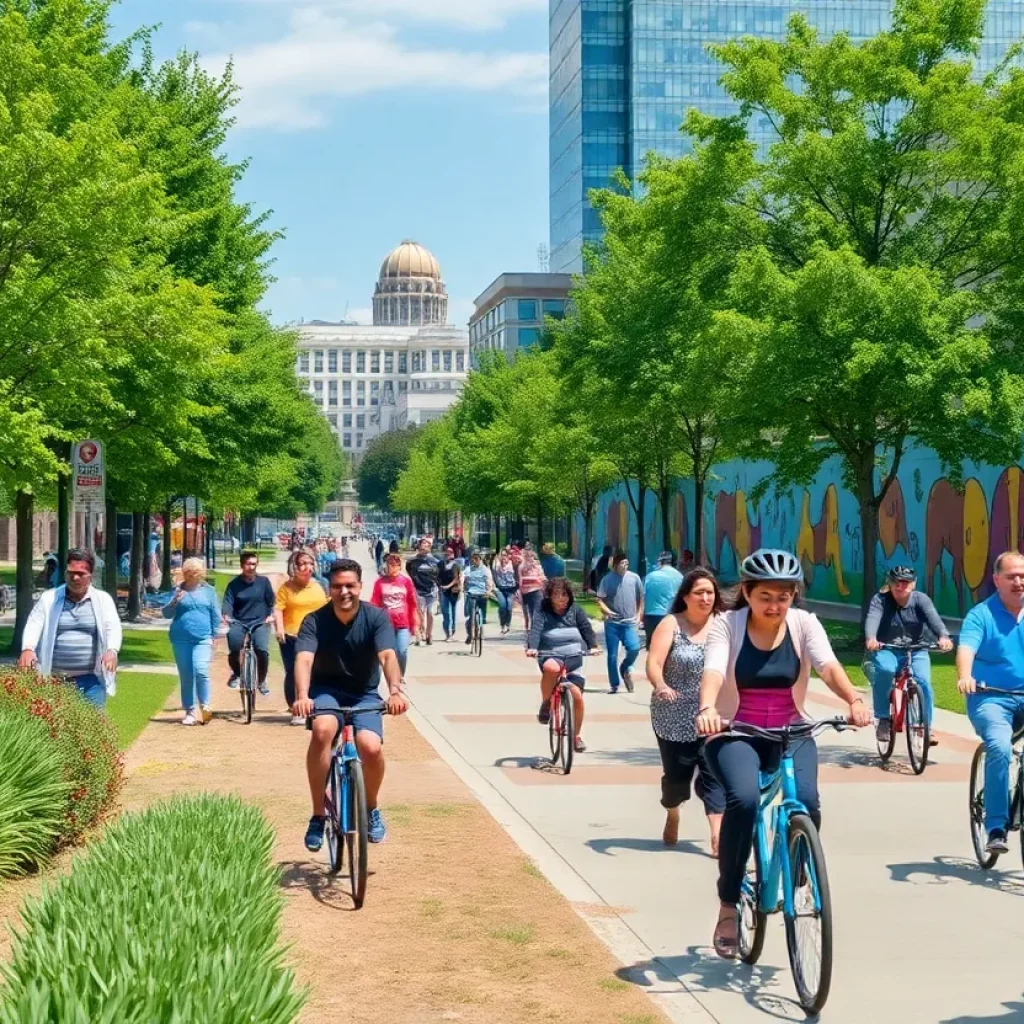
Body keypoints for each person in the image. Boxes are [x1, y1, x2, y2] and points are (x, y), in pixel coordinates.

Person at [695, 549, 871, 960]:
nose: (775, 606)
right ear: (747, 592)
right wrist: (707, 709)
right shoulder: (727, 625)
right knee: (745, 799)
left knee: (806, 803)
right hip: (734, 730)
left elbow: (827, 665)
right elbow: (715, 670)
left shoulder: (804, 623)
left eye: (785, 596)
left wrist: (853, 699)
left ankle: (795, 870)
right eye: (766, 597)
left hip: (791, 729)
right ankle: (727, 904)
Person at [292, 559, 409, 850]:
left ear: (360, 586)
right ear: (329, 589)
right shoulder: (314, 620)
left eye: (350, 585)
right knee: (322, 729)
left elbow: (388, 656)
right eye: (337, 586)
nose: (344, 591)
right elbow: (304, 659)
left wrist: (395, 690)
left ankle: (370, 808)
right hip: (326, 691)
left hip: (364, 693)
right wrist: (303, 695)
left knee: (370, 747)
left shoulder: (376, 617)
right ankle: (318, 815)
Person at [646, 569, 726, 851]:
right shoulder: (671, 624)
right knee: (676, 780)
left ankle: (718, 836)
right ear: (685, 596)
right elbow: (654, 662)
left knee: (714, 774)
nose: (705, 598)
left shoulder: (723, 626)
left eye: (710, 593)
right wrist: (660, 684)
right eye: (699, 592)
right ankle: (673, 811)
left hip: (713, 714)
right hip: (673, 713)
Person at [956, 551, 1024, 854]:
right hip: (990, 697)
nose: (1019, 582)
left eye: (1023, 576)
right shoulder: (981, 614)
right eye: (1011, 576)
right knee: (999, 746)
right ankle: (996, 826)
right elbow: (967, 648)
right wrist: (965, 676)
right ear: (996, 580)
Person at [18, 548, 121, 709]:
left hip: (91, 682)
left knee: (92, 729)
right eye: (71, 572)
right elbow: (34, 623)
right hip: (55, 681)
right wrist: (28, 648)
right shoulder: (49, 598)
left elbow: (113, 628)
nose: (75, 577)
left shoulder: (103, 600)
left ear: (91, 575)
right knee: (55, 730)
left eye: (81, 573)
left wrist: (112, 650)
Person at [865, 565, 953, 744]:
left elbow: (933, 619)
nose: (901, 586)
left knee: (923, 682)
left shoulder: (921, 600)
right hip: (886, 648)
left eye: (905, 582)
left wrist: (943, 636)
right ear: (890, 584)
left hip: (916, 649)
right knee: (886, 671)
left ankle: (925, 727)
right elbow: (873, 618)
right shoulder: (880, 600)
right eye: (897, 582)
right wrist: (871, 638)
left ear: (913, 584)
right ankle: (882, 718)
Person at [527, 578, 599, 753]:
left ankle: (577, 736)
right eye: (556, 595)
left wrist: (593, 646)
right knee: (552, 669)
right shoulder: (543, 610)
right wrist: (533, 648)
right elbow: (536, 629)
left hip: (573, 657)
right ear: (550, 596)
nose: (561, 599)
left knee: (577, 696)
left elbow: (585, 628)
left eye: (564, 595)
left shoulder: (576, 610)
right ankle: (546, 703)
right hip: (550, 653)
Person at [162, 557, 220, 726]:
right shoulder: (177, 591)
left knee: (201, 670)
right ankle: (190, 710)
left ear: (201, 573)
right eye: (189, 572)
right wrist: (174, 601)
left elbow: (215, 615)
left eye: (195, 572)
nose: (192, 575)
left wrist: (214, 636)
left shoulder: (209, 592)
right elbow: (166, 614)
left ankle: (205, 704)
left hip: (203, 638)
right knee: (186, 675)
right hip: (181, 639)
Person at [274, 550, 330, 725]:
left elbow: (327, 607)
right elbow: (278, 609)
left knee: (314, 672)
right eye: (303, 564)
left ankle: (311, 706)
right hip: (292, 635)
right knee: (293, 672)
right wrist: (280, 629)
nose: (308, 568)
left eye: (310, 564)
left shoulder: (320, 585)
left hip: (315, 635)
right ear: (294, 567)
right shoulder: (287, 588)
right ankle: (296, 707)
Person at [222, 552, 275, 697]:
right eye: (248, 564)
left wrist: (271, 615)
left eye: (253, 564)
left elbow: (272, 601)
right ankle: (237, 674)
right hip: (239, 621)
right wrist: (226, 615)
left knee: (261, 650)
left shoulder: (264, 582)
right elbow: (228, 602)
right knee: (234, 646)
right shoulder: (234, 585)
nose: (251, 567)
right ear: (242, 565)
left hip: (260, 621)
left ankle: (261, 681)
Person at [596, 552, 644, 694]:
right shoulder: (607, 580)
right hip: (613, 624)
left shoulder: (634, 578)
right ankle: (614, 684)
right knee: (612, 655)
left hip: (629, 622)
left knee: (634, 648)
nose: (624, 566)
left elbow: (640, 597)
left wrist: (638, 615)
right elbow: (599, 599)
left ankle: (625, 668)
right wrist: (608, 612)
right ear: (615, 565)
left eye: (626, 564)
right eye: (622, 564)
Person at [371, 554, 418, 677]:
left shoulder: (406, 582)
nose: (392, 567)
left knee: (402, 651)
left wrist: (415, 624)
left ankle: (400, 675)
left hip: (403, 623)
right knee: (387, 652)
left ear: (399, 566)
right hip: (386, 624)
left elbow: (412, 604)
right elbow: (375, 602)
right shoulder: (380, 582)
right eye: (389, 564)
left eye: (395, 565)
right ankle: (391, 677)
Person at [642, 551, 684, 649]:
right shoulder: (679, 576)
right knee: (670, 648)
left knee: (653, 648)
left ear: (660, 562)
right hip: (671, 616)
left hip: (650, 616)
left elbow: (642, 596)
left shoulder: (650, 576)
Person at [406, 537, 439, 645]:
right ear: (419, 547)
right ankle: (420, 633)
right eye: (422, 545)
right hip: (419, 590)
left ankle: (429, 635)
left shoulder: (435, 560)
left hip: (432, 590)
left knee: (430, 613)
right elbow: (408, 569)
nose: (424, 547)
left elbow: (439, 573)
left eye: (426, 545)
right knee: (420, 613)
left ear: (429, 548)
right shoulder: (413, 560)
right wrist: (413, 582)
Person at [463, 551, 495, 643]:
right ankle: (470, 634)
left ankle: (480, 629)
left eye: (476, 558)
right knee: (471, 615)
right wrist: (463, 587)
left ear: (480, 559)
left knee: (481, 615)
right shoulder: (469, 569)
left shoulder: (485, 570)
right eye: (472, 558)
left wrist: (488, 591)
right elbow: (464, 579)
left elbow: (489, 581)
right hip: (471, 594)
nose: (474, 560)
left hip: (482, 594)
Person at [518, 549, 546, 636]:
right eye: (527, 556)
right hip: (525, 593)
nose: (529, 558)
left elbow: (542, 576)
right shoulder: (522, 566)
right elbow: (520, 579)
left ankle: (535, 632)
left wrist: (544, 582)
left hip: (536, 591)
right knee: (528, 613)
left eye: (531, 556)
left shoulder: (537, 566)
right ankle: (529, 630)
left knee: (536, 612)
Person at [437, 546, 462, 641]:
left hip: (453, 591)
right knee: (446, 613)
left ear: (453, 554)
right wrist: (439, 586)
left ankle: (452, 630)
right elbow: (437, 576)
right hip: (443, 591)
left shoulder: (456, 564)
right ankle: (448, 633)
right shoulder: (440, 564)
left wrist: (448, 586)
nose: (448, 554)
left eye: (450, 552)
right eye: (446, 552)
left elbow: (456, 579)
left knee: (453, 612)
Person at [492, 548, 518, 635]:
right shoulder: (496, 565)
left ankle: (508, 624)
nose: (504, 557)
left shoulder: (512, 564)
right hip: (500, 589)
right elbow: (493, 576)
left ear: (508, 556)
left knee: (509, 607)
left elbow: (518, 574)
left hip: (511, 589)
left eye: (505, 555)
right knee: (502, 606)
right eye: (502, 555)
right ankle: (502, 625)